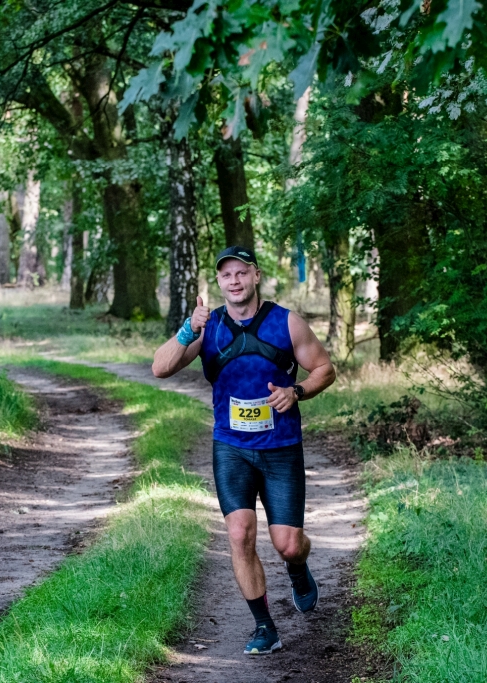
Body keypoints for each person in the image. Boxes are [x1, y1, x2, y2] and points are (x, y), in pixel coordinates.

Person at [152, 245, 337, 656]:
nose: (234, 281)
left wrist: (297, 391)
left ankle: (298, 567)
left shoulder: (286, 322)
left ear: (256, 276)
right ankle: (264, 627)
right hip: (232, 448)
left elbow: (325, 369)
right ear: (219, 282)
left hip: (281, 449)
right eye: (226, 275)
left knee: (288, 543)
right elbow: (160, 368)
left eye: (241, 272)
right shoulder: (207, 327)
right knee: (239, 534)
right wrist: (187, 329)